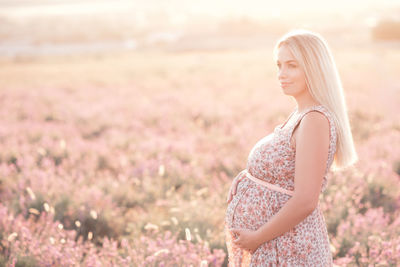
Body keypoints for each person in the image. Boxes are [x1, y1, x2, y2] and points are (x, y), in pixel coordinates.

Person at [225, 29, 358, 266]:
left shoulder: (315, 120)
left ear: (314, 68)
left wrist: (257, 238)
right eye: (279, 65)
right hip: (277, 246)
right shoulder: (300, 115)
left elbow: (306, 199)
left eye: (292, 65)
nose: (281, 74)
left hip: (289, 250)